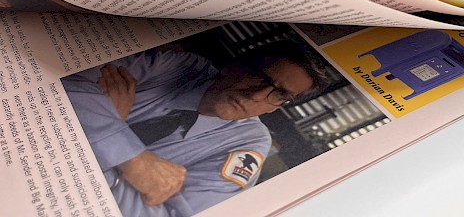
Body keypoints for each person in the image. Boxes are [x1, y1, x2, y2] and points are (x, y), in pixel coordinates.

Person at [62, 40, 323, 217]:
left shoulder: (250, 144)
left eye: (279, 94)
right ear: (234, 66)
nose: (256, 95)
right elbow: (62, 87)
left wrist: (110, 137)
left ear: (277, 108)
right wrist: (133, 163)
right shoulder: (180, 67)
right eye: (260, 77)